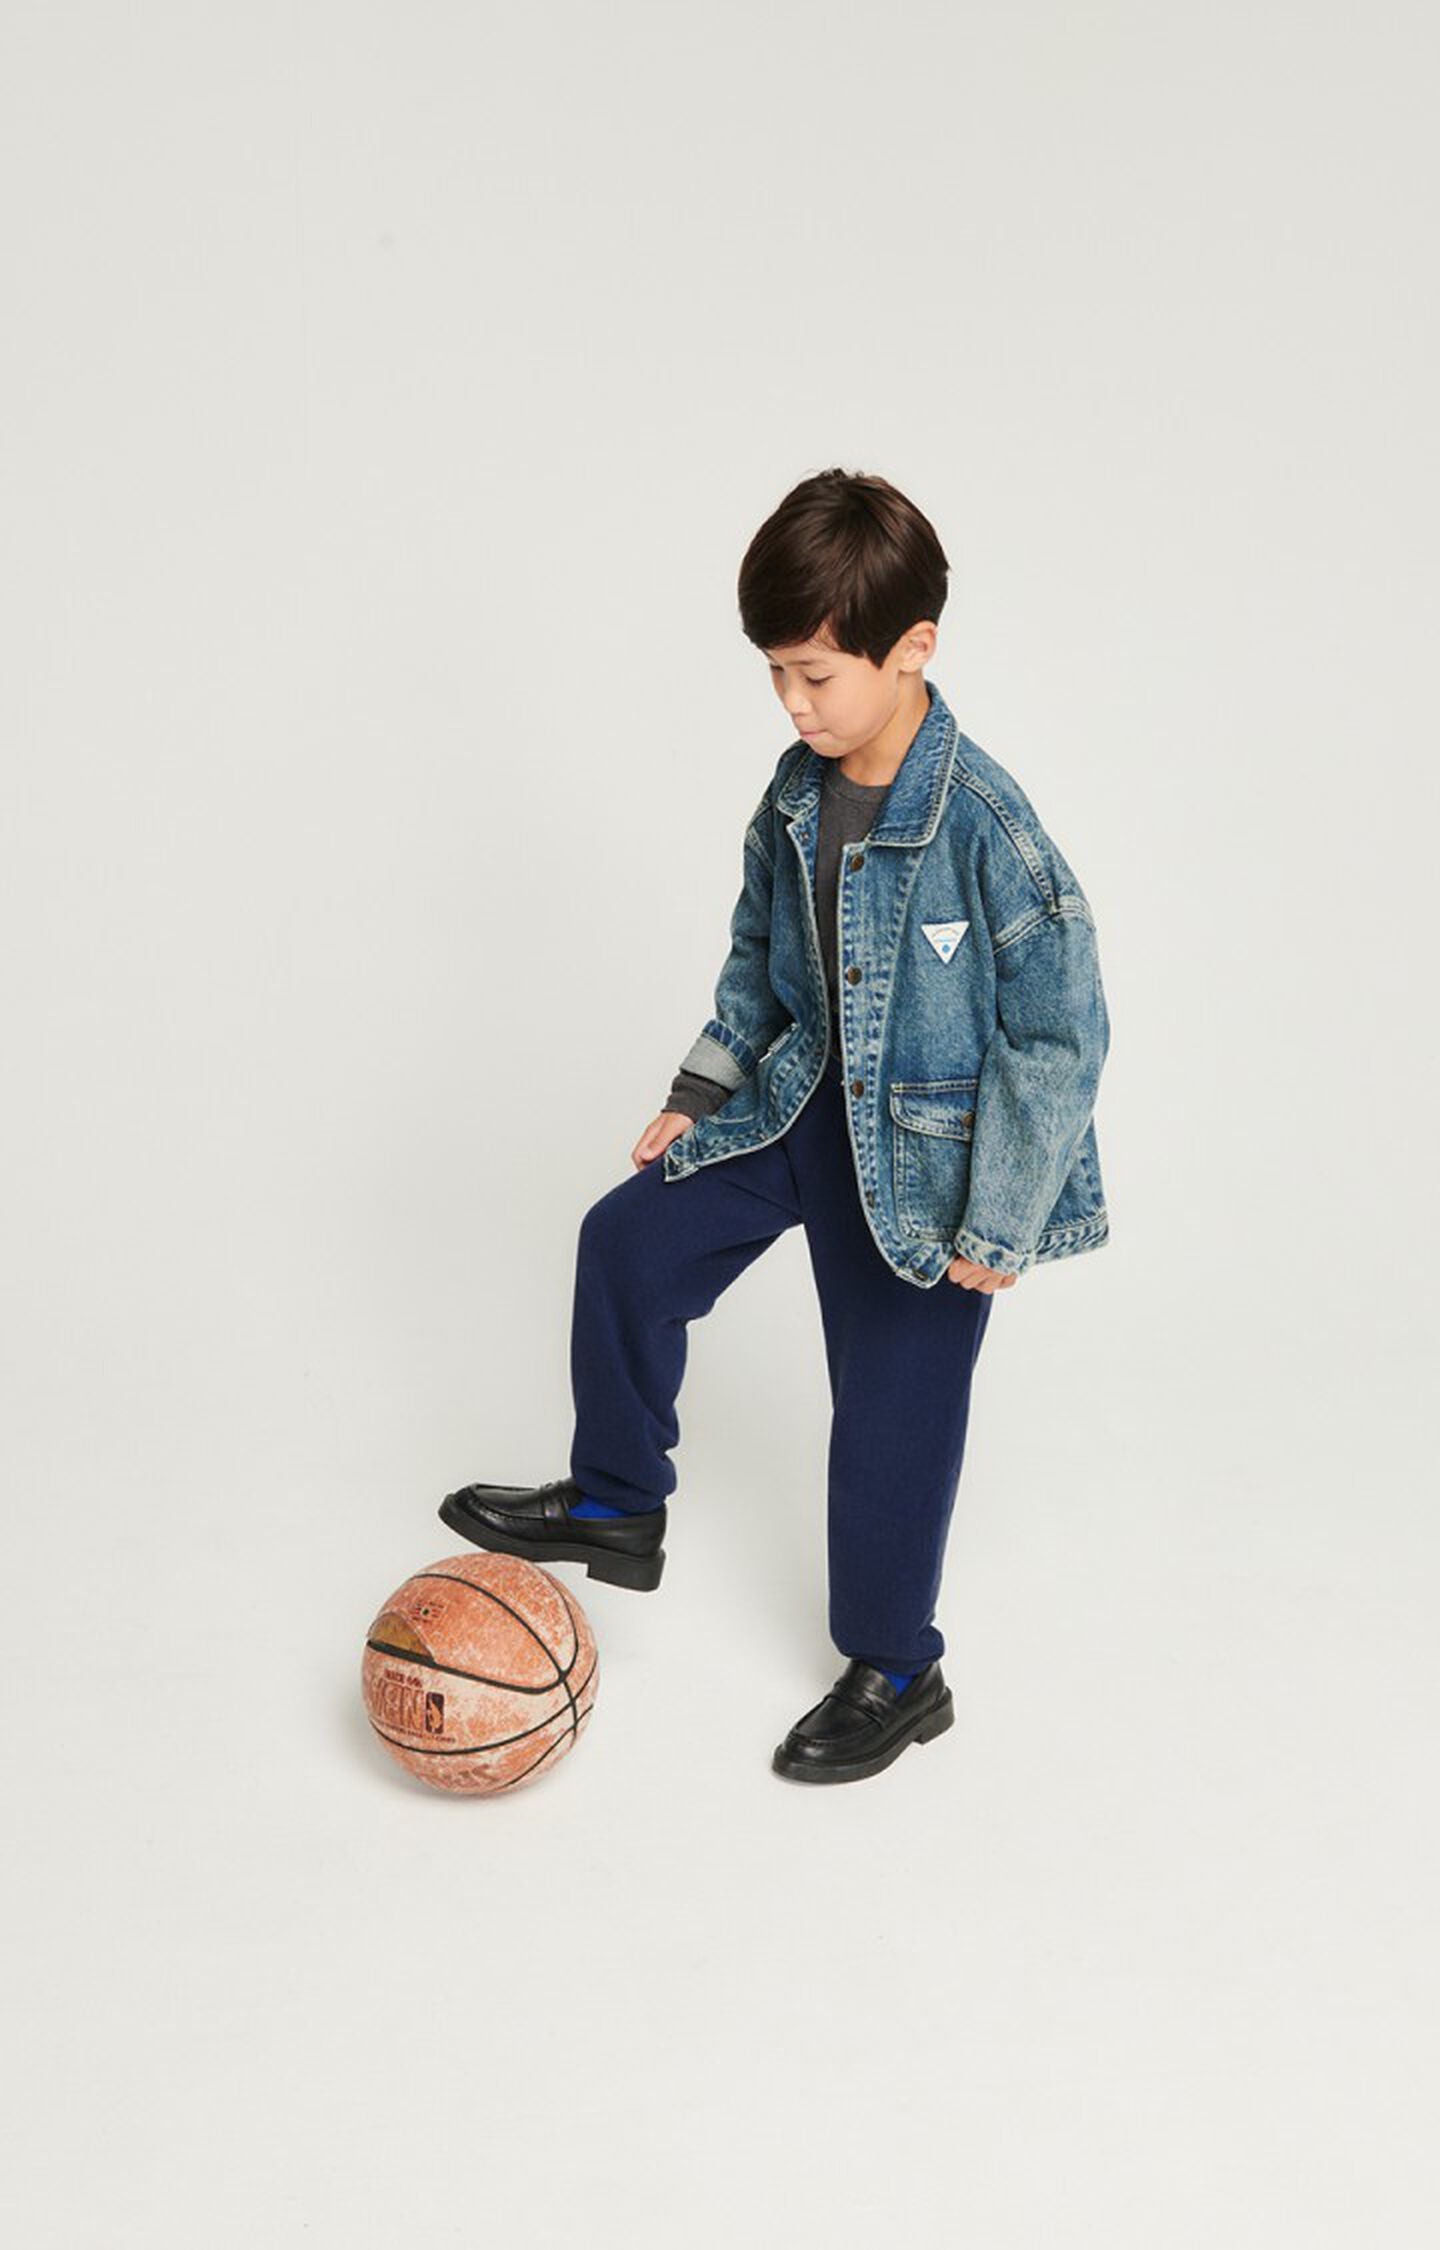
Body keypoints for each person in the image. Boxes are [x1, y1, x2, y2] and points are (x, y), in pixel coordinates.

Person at [439, 467, 1112, 1785]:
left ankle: (898, 1670)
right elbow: (758, 959)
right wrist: (699, 1093)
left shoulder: (988, 827)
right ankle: (617, 1499)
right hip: (800, 1108)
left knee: (890, 1420)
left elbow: (1060, 1035)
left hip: (928, 1173)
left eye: (814, 673)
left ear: (912, 648)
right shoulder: (795, 795)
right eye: (774, 675)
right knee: (625, 1243)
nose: (793, 703)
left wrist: (999, 1220)